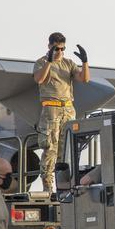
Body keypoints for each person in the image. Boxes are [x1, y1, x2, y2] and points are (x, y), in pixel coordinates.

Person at [33, 32, 90, 192]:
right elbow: (39, 79)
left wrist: (85, 62)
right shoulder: (41, 62)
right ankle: (48, 188)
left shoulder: (68, 63)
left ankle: (64, 187)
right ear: (50, 46)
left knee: (66, 151)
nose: (60, 52)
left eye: (62, 49)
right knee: (50, 148)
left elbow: (84, 78)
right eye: (57, 48)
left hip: (67, 108)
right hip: (51, 110)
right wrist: (49, 62)